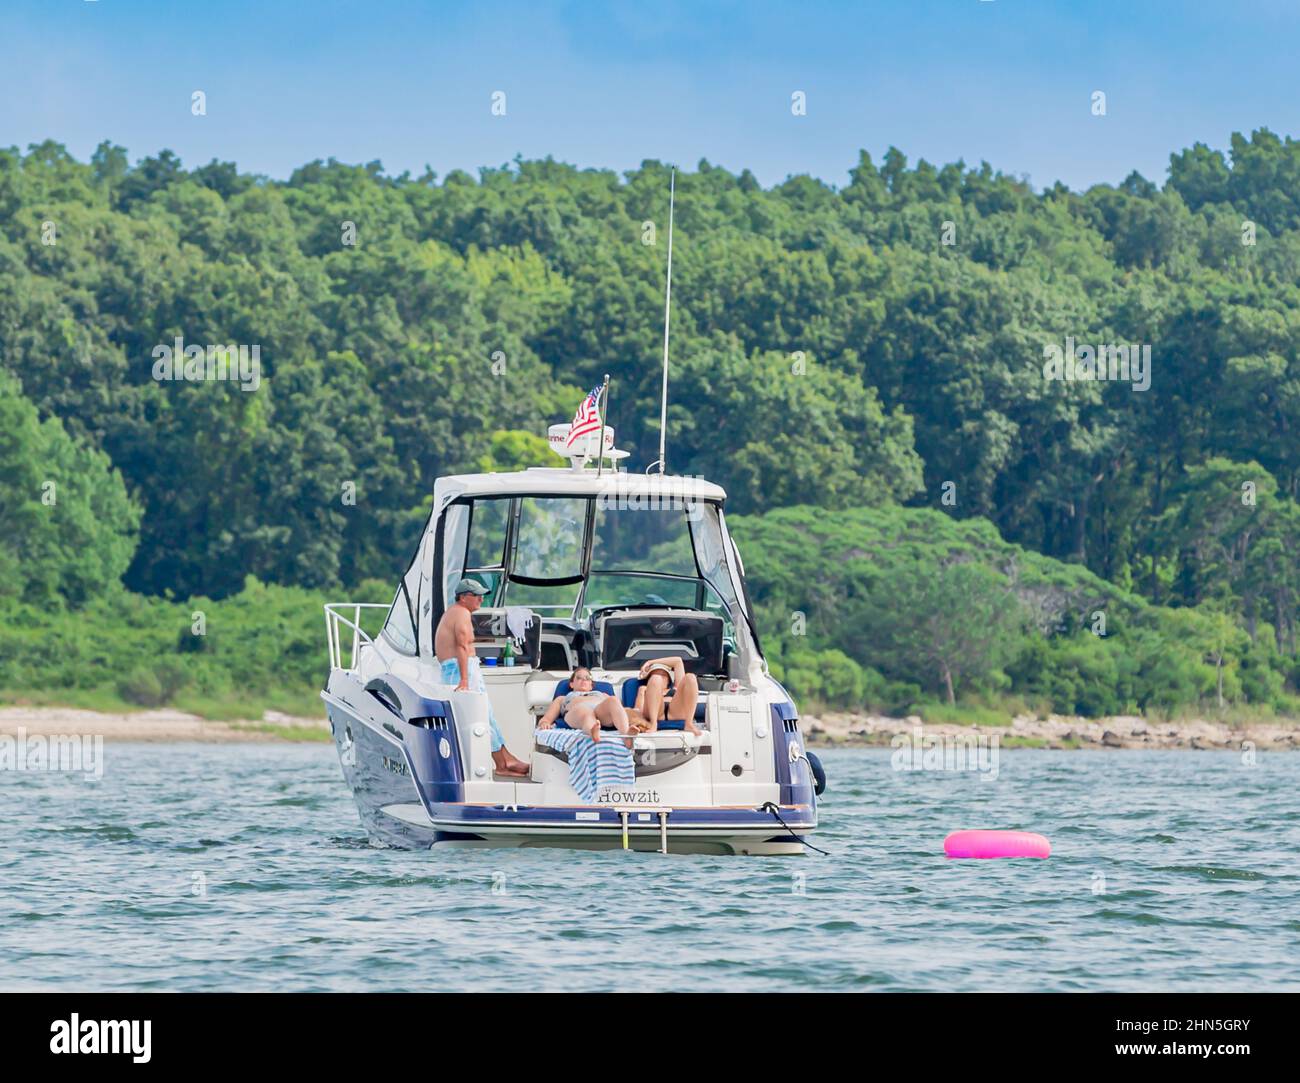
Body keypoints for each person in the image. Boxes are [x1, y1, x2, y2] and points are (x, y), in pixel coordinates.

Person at [434, 578, 530, 776]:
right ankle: (504, 763)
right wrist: (464, 680)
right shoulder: (460, 613)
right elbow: (462, 646)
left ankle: (504, 759)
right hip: (460, 669)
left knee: (487, 716)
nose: (481, 599)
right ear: (463, 597)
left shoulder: (457, 612)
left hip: (459, 668)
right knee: (481, 716)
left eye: (482, 595)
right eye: (476, 595)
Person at [536, 666, 631, 743]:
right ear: (572, 684)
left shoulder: (603, 695)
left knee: (613, 700)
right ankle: (592, 731)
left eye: (587, 678)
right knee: (584, 710)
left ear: (591, 685)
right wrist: (544, 723)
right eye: (579, 678)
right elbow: (546, 719)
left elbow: (620, 710)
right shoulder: (562, 698)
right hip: (577, 713)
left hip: (600, 712)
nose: (583, 680)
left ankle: (627, 736)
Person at [633, 656, 702, 735]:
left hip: (675, 712)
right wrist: (643, 692)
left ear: (669, 679)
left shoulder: (676, 688)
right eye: (655, 673)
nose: (660, 677)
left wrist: (649, 662)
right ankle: (653, 723)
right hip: (655, 713)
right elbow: (638, 711)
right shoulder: (644, 689)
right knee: (656, 679)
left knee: (690, 677)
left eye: (663, 675)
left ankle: (689, 723)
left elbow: (677, 661)